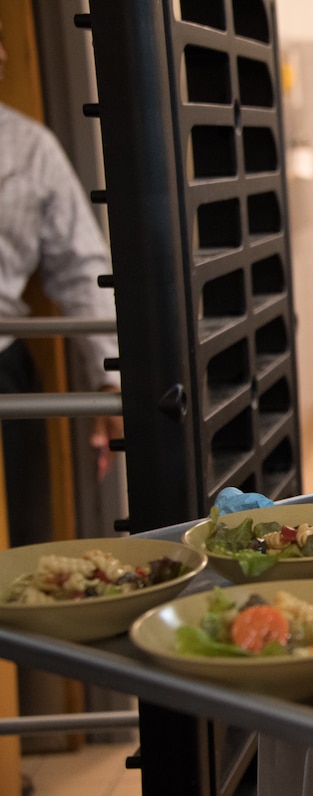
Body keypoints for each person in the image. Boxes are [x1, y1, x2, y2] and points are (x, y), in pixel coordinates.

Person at [0, 15, 123, 531]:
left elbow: (82, 268)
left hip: (5, 371)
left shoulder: (28, 147)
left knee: (24, 537)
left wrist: (112, 382)